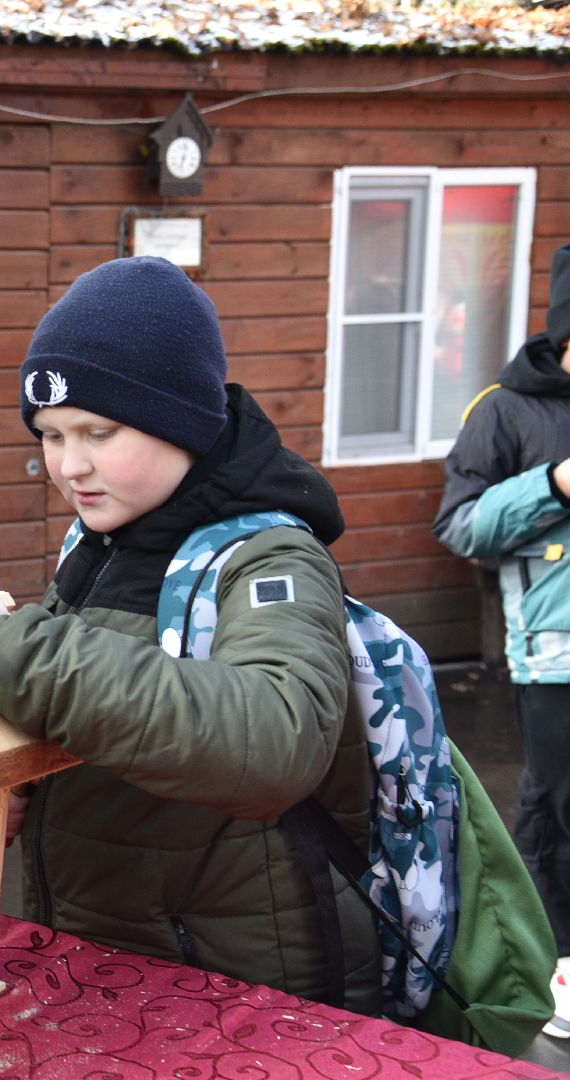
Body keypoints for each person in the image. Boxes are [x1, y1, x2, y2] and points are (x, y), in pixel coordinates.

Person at [0, 256, 381, 1013]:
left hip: (237, 993)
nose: (69, 465)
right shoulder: (100, 542)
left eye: (99, 431)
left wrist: (1, 646)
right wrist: (18, 770)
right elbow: (100, 704)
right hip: (111, 959)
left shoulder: (271, 556)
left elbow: (277, 739)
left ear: (184, 419)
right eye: (49, 434)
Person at [433, 242, 570, 1038]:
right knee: (556, 808)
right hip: (555, 653)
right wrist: (551, 486)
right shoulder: (506, 409)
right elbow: (461, 526)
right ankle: (552, 972)